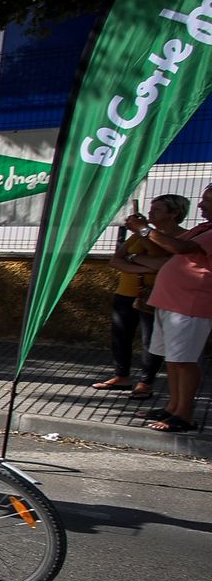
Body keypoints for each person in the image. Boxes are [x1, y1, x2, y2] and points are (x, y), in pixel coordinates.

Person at [126, 183, 212, 433]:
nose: (200, 204)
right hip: (172, 301)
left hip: (191, 304)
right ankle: (173, 407)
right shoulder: (203, 227)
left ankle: (184, 414)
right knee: (173, 359)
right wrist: (146, 230)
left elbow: (180, 248)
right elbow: (169, 242)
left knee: (184, 360)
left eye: (207, 200)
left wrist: (143, 230)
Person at [99, 195, 187, 400]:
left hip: (156, 294)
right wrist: (142, 263)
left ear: (174, 213)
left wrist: (142, 243)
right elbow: (116, 261)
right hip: (126, 292)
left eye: (157, 210)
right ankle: (122, 376)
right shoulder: (137, 235)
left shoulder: (180, 237)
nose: (150, 213)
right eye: (151, 208)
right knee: (121, 336)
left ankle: (146, 382)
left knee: (151, 339)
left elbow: (164, 262)